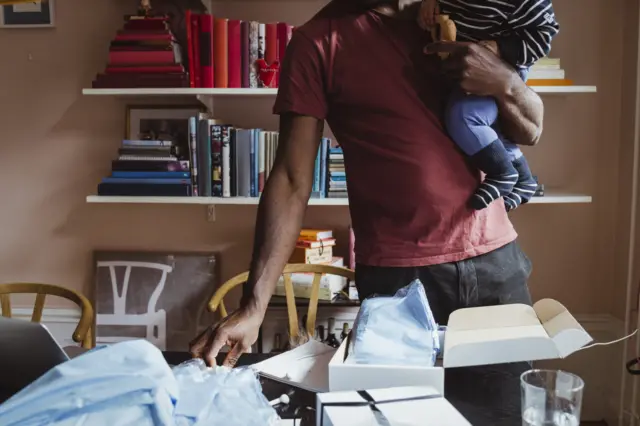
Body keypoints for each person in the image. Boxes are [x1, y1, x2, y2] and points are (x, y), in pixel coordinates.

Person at [190, 0, 544, 423]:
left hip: (496, 270)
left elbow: (533, 128)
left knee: (508, 417)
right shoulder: (318, 42)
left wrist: (504, 81)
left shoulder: (460, 13)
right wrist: (254, 306)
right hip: (400, 284)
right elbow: (290, 178)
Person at [419, 0, 559, 211]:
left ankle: (502, 172)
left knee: (464, 118)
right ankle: (524, 178)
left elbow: (544, 35)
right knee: (491, 129)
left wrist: (500, 48)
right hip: (459, 64)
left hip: (501, 65)